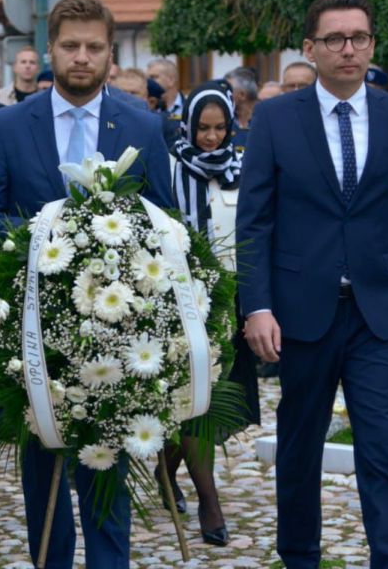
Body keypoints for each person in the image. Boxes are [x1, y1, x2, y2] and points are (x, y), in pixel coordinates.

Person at [0, 0, 173, 569]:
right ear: (50, 50)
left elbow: (168, 222)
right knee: (44, 464)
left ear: (110, 53)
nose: (82, 57)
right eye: (71, 46)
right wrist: (44, 238)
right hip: (33, 325)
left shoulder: (142, 124)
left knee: (107, 461)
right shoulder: (8, 124)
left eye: (93, 47)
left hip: (116, 327)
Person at [237, 0, 388, 569]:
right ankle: (299, 557)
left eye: (359, 38)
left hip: (380, 312)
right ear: (310, 48)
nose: (348, 49)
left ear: (372, 45)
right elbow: (254, 221)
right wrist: (257, 305)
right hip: (300, 312)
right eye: (335, 39)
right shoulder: (275, 118)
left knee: (382, 446)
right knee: (300, 443)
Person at [160, 80, 261, 547]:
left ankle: (166, 470)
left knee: (220, 404)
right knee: (193, 400)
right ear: (188, 125)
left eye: (220, 128)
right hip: (182, 303)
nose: (211, 137)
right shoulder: (169, 169)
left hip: (233, 303)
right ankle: (209, 500)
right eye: (203, 127)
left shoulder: (245, 169)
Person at [224, 67, 258, 153]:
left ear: (242, 95)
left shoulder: (264, 121)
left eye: (227, 90)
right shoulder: (224, 120)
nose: (223, 94)